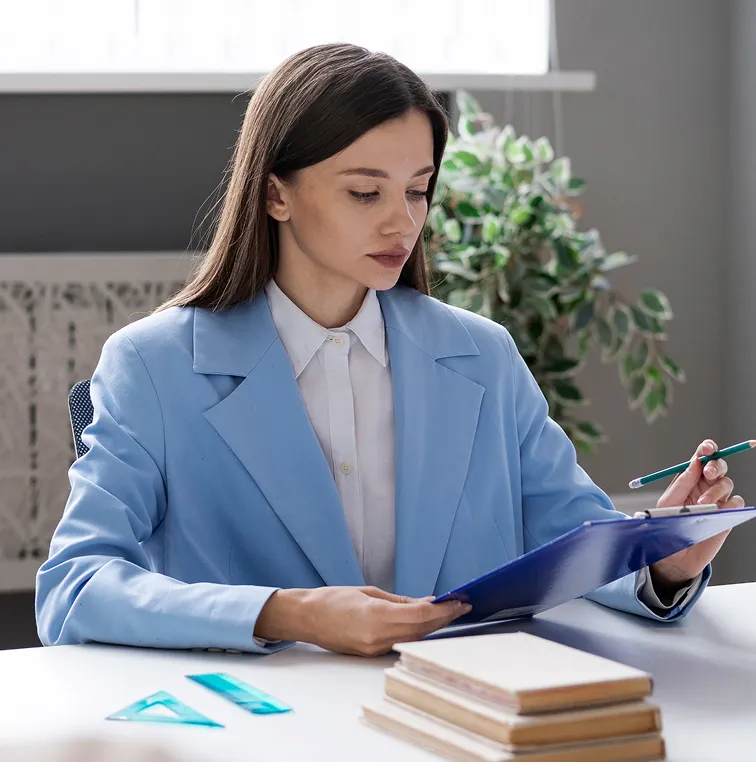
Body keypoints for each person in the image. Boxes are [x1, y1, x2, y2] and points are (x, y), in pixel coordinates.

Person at [36, 43, 742, 658]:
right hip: (266, 729)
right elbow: (73, 587)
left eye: (418, 190)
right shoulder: (153, 367)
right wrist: (287, 613)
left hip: (462, 714)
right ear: (276, 194)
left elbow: (573, 538)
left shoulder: (482, 356)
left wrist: (660, 559)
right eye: (365, 192)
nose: (402, 221)